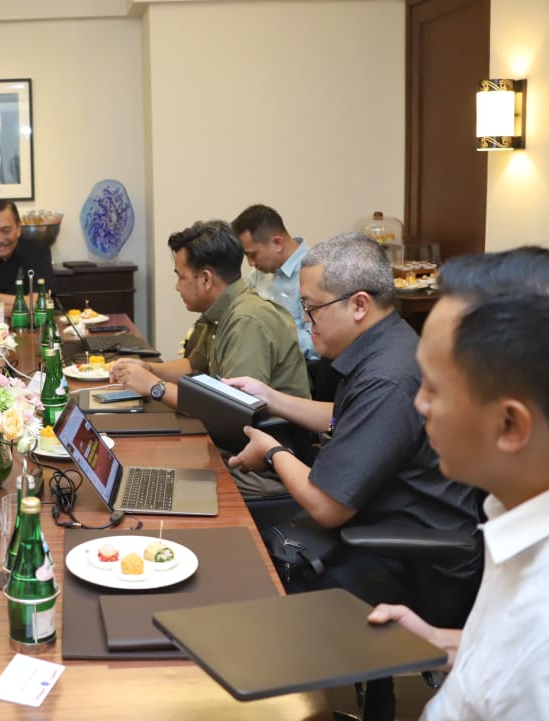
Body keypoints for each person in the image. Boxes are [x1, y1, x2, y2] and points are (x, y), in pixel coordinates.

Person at [368, 247, 549, 720]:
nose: (419, 405)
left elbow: (533, 657)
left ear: (511, 425)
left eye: (432, 388)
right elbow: (506, 666)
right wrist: (446, 642)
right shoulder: (526, 508)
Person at [225, 232, 482, 606]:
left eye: (311, 307)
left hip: (409, 561)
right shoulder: (389, 343)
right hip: (377, 526)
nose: (306, 321)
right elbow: (348, 416)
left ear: (359, 305)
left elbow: (327, 508)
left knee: (249, 579)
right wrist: (270, 398)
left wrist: (272, 451)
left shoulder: (388, 377)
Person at [110, 220, 309, 496]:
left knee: (156, 480)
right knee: (141, 462)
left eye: (181, 276)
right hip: (230, 444)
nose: (177, 286)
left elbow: (231, 412)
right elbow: (194, 365)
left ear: (205, 278)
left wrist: (155, 387)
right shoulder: (222, 310)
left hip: (264, 464)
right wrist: (149, 368)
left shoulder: (247, 320)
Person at [230, 204, 317, 362]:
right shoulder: (260, 273)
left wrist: (273, 326)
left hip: (299, 375)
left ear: (277, 243)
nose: (250, 263)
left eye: (253, 255)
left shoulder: (314, 272)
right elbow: (233, 301)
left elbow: (316, 347)